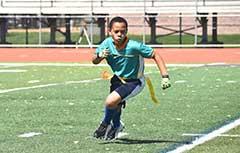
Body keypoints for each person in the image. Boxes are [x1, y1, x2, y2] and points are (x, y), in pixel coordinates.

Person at [92, 16, 171, 140]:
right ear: (110, 32)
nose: (120, 34)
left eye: (123, 31)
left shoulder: (134, 46)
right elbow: (94, 61)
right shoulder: (106, 43)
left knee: (110, 101)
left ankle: (105, 124)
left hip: (134, 82)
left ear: (126, 31)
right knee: (115, 104)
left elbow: (155, 54)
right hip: (117, 79)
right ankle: (117, 125)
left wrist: (165, 76)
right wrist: (99, 56)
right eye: (116, 31)